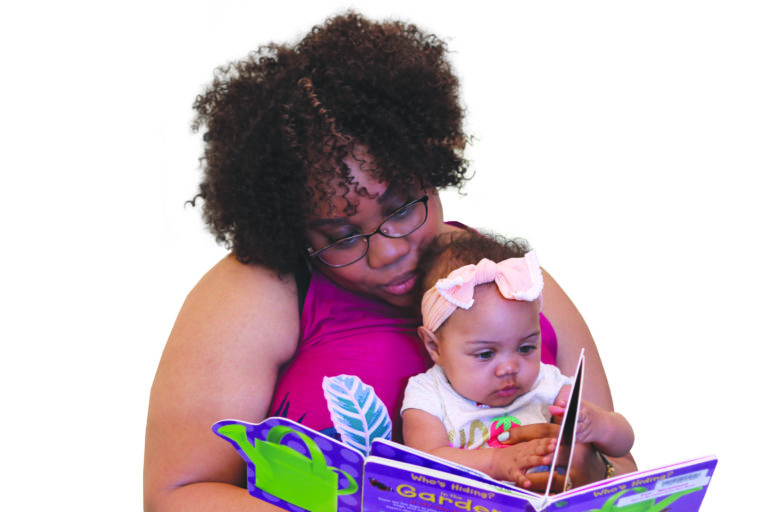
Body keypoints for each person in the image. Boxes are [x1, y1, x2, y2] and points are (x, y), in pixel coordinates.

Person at [143, 11, 636, 511]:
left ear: (431, 163)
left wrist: (589, 469)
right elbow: (178, 495)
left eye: (401, 208)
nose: (389, 250)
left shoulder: (512, 280)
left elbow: (627, 469)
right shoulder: (262, 291)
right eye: (340, 236)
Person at [401, 231, 634, 488]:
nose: (510, 368)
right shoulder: (428, 394)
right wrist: (495, 461)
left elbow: (624, 442)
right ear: (434, 346)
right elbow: (424, 461)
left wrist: (600, 425)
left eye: (526, 348)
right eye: (486, 354)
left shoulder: (548, 384)